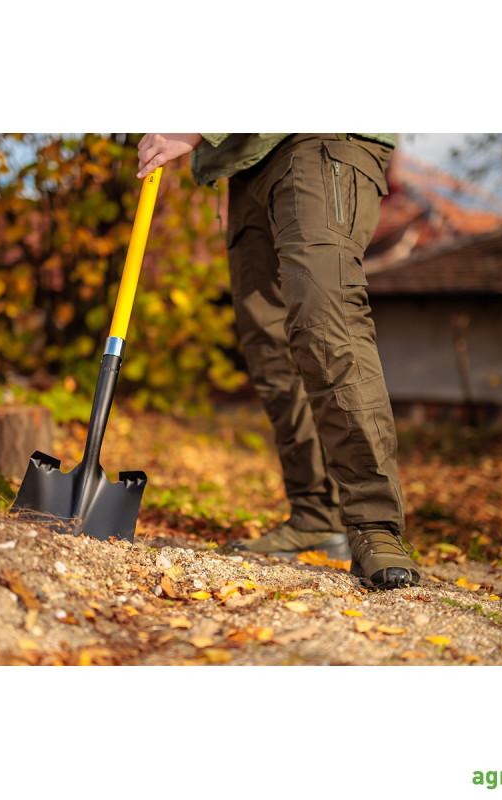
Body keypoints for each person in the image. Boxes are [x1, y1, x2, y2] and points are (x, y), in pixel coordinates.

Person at [137, 134, 419, 590]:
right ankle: (315, 513)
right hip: (246, 157)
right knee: (265, 340)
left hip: (317, 136)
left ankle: (375, 525)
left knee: (324, 319)